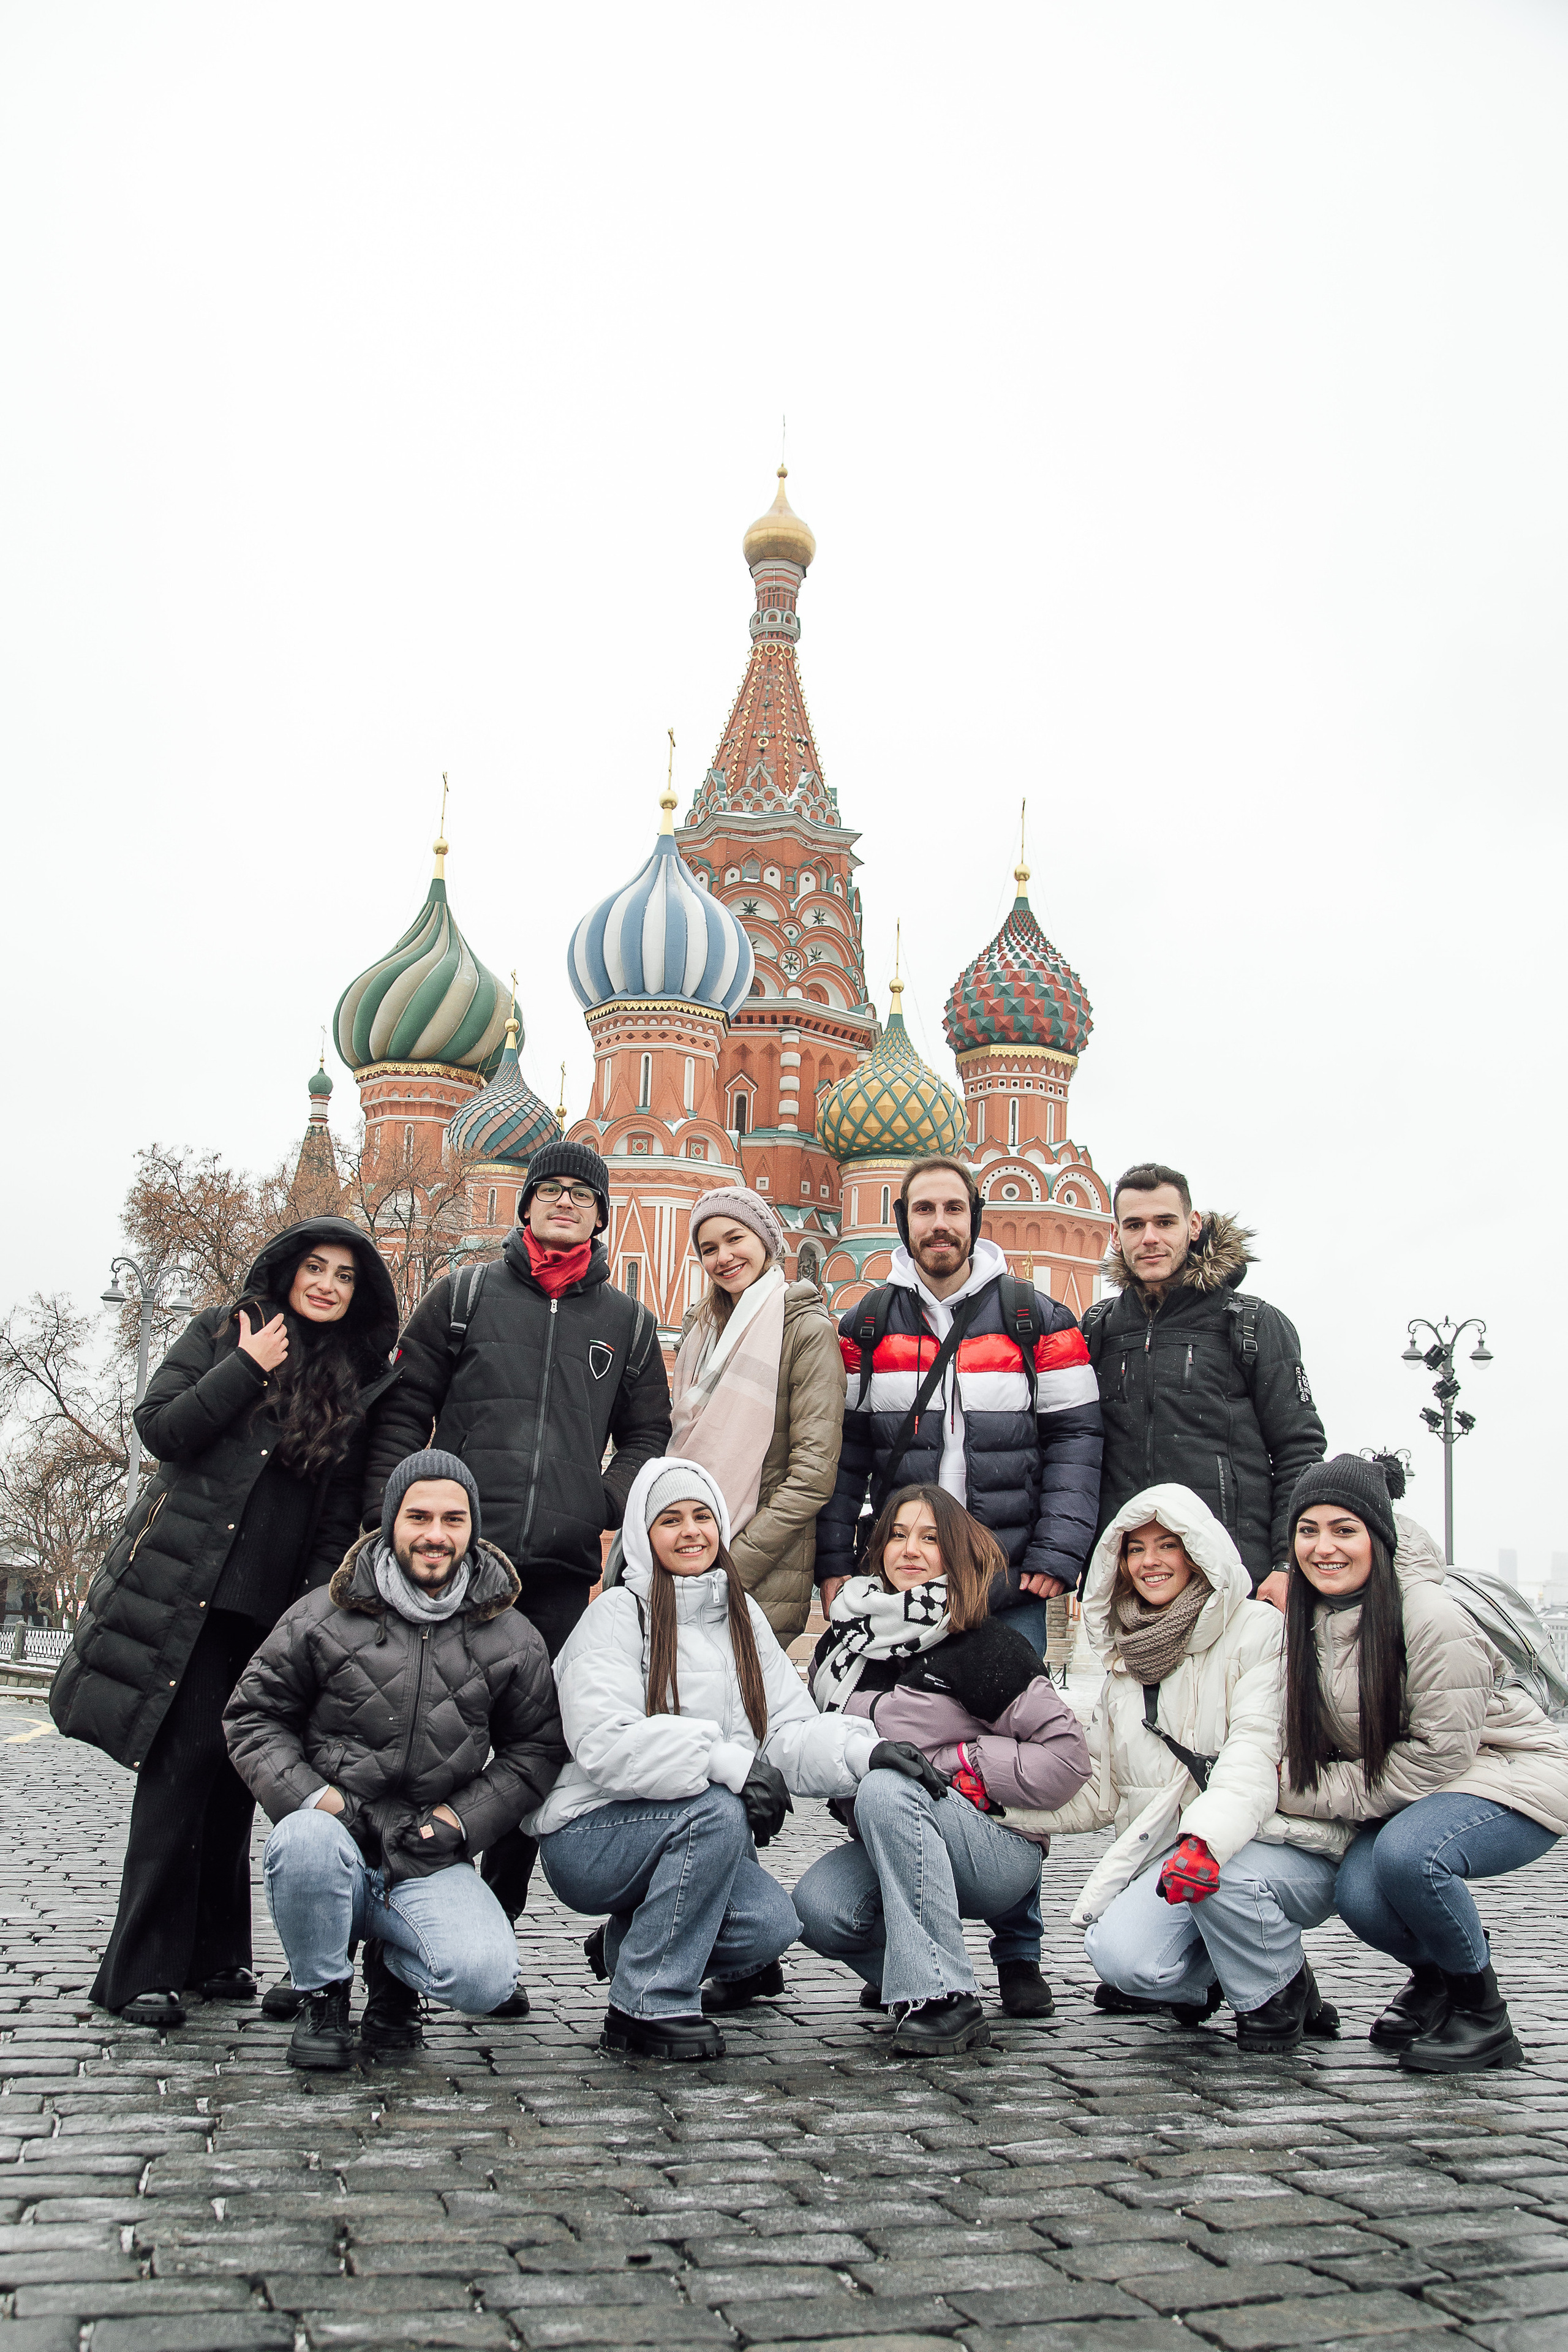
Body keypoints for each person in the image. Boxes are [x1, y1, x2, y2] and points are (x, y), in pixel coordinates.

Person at [52, 1218, 401, 2030]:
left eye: (344, 1276)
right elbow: (162, 1427)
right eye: (313, 1267)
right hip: (189, 1588)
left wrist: (315, 1607)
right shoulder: (227, 1330)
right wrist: (247, 1367)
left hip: (272, 1608)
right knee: (183, 1766)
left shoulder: (354, 1377)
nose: (325, 1284)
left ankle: (215, 1957)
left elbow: (335, 1511)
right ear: (285, 1273)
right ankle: (137, 1970)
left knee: (237, 1775)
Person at [361, 1137, 671, 2003]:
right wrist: (392, 1512)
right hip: (453, 1570)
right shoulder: (464, 1295)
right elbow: (403, 1411)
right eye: (551, 1190)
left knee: (535, 1756)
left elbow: (648, 1436)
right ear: (526, 1204)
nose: (566, 1202)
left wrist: (598, 1500)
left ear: (603, 1214)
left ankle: (489, 1926)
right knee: (424, 1752)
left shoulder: (629, 1323)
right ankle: (394, 1960)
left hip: (561, 1576)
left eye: (583, 1193)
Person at [530, 1457, 909, 2061]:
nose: (690, 1532)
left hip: (682, 1834)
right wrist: (726, 1762)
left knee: (768, 1927)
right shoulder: (615, 1617)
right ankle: (645, 2008)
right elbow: (604, 1741)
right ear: (642, 1535)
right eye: (670, 1519)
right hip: (590, 1833)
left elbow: (786, 1728)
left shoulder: (743, 1616)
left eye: (702, 1516)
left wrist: (866, 1750)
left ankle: (632, 1940)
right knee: (714, 1809)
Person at [222, 1451, 565, 2070]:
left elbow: (535, 1750)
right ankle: (323, 1995)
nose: (436, 1534)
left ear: (472, 1527)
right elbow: (253, 1716)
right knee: (301, 1843)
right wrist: (315, 1799)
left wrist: (461, 1821)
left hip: (429, 1851)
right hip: (336, 1839)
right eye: (419, 1516)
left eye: (453, 1519)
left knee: (485, 1979)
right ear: (390, 1523)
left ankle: (396, 1987)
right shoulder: (321, 1614)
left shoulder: (512, 1636)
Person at [1028, 1484, 1348, 2054]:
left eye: (1168, 1545)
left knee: (1226, 1881)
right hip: (1186, 1855)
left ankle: (1278, 1990)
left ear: (1199, 1552)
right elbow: (1097, 1787)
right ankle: (1233, 1969)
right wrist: (996, 1801)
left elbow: (1255, 1754)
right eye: (1135, 1549)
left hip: (1273, 1838)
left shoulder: (1257, 1630)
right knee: (1125, 1963)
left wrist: (1204, 1840)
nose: (1150, 1561)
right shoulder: (1125, 1659)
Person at [1276, 1455, 1568, 2074]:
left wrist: (1303, 1792)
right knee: (1358, 1896)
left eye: (1344, 1530)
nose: (1323, 1547)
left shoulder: (1428, 1615)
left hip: (1510, 1776)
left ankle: (1483, 2016)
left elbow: (1435, 1759)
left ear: (1378, 1539)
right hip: (1419, 1788)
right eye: (1308, 1530)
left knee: (1409, 1857)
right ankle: (1437, 1979)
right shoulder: (1308, 1618)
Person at [793, 1484, 1092, 2050]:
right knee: (819, 1910)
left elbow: (1068, 1758)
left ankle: (944, 1998)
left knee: (889, 1784)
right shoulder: (844, 1646)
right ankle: (910, 1975)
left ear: (955, 1554)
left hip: (995, 1849)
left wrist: (960, 1760)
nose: (911, 1549)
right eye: (899, 1534)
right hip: (894, 1835)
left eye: (931, 1538)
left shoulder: (981, 1643)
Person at [815, 1156, 1102, 1651]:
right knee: (898, 1721)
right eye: (925, 1210)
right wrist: (835, 1560)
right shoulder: (866, 1327)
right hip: (901, 1581)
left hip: (1006, 1581)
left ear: (976, 1217)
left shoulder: (1038, 1320)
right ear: (905, 1220)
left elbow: (1076, 1440)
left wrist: (1057, 1551)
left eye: (954, 1209)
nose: (940, 1225)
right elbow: (845, 1454)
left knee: (1013, 1722)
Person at [1080, 1164, 1325, 1610]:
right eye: (1134, 1225)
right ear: (1116, 1235)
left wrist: (1286, 1563)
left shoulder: (1252, 1323)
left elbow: (1300, 1453)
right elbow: (1074, 1453)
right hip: (1132, 1581)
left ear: (1193, 1226)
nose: (1149, 1238)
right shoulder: (1098, 1330)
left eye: (1165, 1222)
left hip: (1233, 1578)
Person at [668, 1186, 844, 1644]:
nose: (723, 1257)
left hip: (757, 1578)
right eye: (709, 1249)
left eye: (735, 1239)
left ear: (765, 1241)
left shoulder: (805, 1329)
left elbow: (812, 1476)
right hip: (682, 1562)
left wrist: (730, 1567)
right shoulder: (699, 1330)